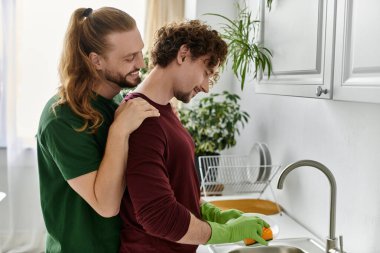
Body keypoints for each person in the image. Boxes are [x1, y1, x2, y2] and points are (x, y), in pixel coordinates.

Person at [119, 20, 270, 253]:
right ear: (183, 54)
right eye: (206, 72)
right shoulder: (141, 119)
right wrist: (227, 233)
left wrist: (212, 212)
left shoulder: (162, 110)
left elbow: (174, 186)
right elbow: (157, 216)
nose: (207, 87)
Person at [36, 7, 160, 253]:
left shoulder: (117, 102)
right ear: (96, 61)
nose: (141, 63)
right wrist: (119, 132)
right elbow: (107, 206)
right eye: (129, 58)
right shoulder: (62, 118)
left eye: (140, 52)